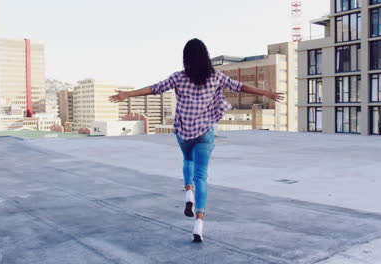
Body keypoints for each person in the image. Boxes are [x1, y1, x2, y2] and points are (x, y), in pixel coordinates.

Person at [109, 38, 284, 243]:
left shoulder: (179, 77)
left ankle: (188, 194)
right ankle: (199, 223)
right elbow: (240, 87)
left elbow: (154, 88)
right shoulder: (216, 77)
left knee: (187, 161)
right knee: (201, 176)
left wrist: (127, 94)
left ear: (186, 58)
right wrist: (267, 93)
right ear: (205, 56)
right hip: (205, 133)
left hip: (184, 131)